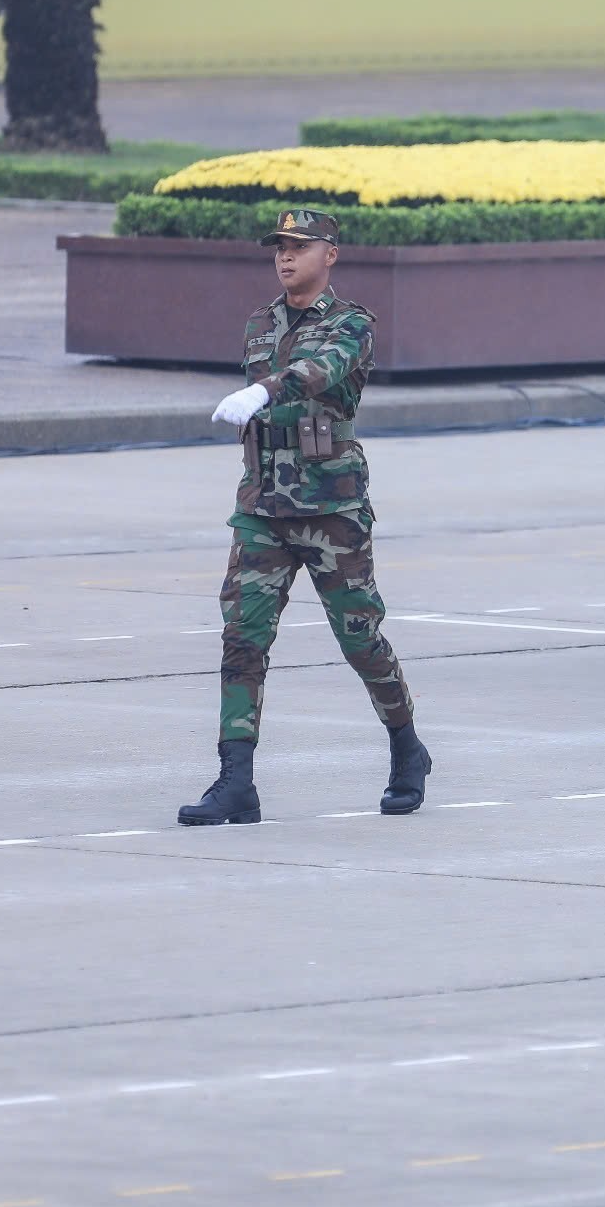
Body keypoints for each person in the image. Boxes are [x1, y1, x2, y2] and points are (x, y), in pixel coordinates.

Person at [186, 209, 427, 825]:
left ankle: (406, 747)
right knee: (243, 639)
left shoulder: (351, 325)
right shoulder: (260, 323)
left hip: (331, 509)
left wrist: (265, 391)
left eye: (300, 245)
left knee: (359, 638)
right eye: (280, 247)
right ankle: (236, 781)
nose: (286, 256)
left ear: (331, 254)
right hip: (263, 507)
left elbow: (320, 372)